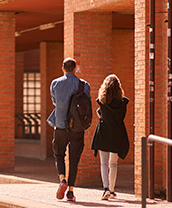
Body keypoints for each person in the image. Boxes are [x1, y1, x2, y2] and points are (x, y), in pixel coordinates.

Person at [47, 57, 91, 202]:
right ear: (75, 68)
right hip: (77, 127)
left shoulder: (55, 83)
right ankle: (71, 192)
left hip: (60, 125)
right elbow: (87, 104)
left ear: (63, 68)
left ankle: (62, 180)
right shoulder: (83, 85)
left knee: (59, 154)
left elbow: (54, 102)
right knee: (74, 159)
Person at [91, 74, 130, 200]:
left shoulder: (102, 102)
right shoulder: (123, 102)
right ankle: (112, 190)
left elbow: (102, 115)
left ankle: (106, 189)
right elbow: (121, 117)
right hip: (117, 134)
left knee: (104, 163)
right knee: (113, 164)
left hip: (104, 133)